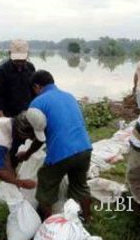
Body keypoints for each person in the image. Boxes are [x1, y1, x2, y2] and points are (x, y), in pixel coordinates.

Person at [18, 70, 93, 222]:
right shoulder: (69, 96)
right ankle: (88, 218)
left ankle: (50, 224)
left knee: (45, 185)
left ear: (37, 86)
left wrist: (27, 154)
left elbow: (39, 137)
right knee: (80, 186)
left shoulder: (37, 103)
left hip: (61, 152)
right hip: (85, 148)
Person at [0, 39, 36, 168]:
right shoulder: (1, 72)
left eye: (22, 59)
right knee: (12, 146)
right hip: (10, 116)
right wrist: (2, 121)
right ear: (9, 54)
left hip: (28, 114)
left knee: (29, 143)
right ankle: (12, 172)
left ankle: (26, 169)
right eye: (16, 59)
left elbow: (35, 91)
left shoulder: (31, 68)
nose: (19, 62)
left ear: (27, 55)